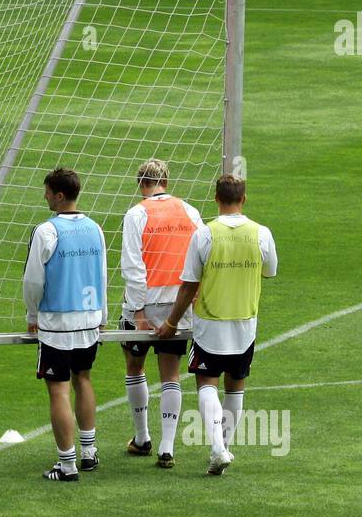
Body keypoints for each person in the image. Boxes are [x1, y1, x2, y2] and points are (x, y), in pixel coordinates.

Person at [155, 174, 277, 475]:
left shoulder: (205, 234)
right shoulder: (261, 233)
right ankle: (223, 447)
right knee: (236, 386)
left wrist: (171, 322)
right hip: (245, 323)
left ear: (216, 199)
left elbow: (187, 286)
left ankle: (218, 449)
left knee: (207, 382)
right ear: (244, 199)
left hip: (210, 323)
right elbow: (270, 271)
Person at [23, 168, 107, 482]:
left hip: (58, 323)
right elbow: (101, 275)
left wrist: (32, 315)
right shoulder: (95, 228)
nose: (44, 195)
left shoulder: (46, 231)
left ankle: (67, 464)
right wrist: (102, 316)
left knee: (58, 390)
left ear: (59, 195)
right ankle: (88, 451)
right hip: (89, 320)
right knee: (83, 378)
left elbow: (33, 281)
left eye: (47, 191)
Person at [118, 159, 201, 468]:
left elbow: (133, 266)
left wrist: (138, 310)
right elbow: (201, 257)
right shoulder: (190, 211)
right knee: (171, 374)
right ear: (167, 181)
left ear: (142, 184)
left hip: (147, 302)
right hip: (179, 305)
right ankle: (167, 447)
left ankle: (142, 438)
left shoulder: (137, 214)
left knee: (135, 367)